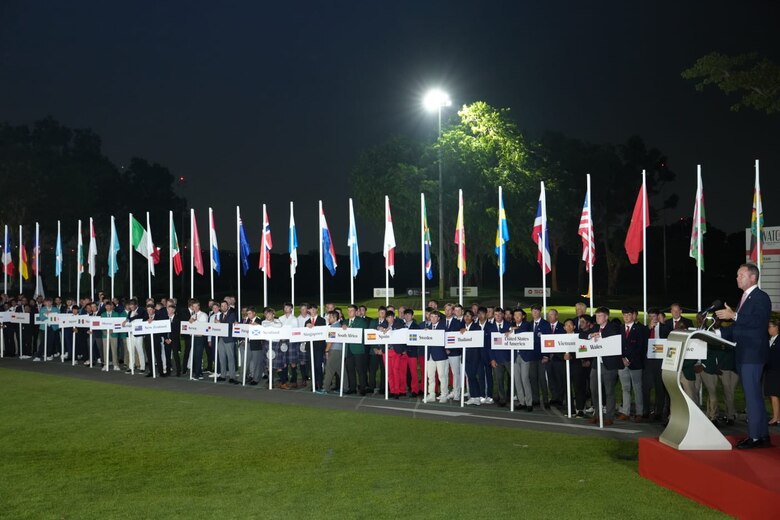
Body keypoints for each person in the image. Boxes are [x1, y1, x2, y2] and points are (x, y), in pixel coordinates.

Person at [715, 263, 772, 449]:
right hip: (744, 354)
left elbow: (757, 322)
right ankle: (762, 436)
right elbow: (739, 328)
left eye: (741, 275)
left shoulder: (761, 297)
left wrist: (734, 316)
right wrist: (715, 334)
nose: (737, 278)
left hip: (752, 354)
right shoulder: (745, 297)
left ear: (753, 278)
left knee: (752, 397)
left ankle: (755, 437)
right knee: (754, 396)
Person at [585, 307, 622, 426]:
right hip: (596, 364)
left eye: (600, 316)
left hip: (609, 364)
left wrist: (599, 335)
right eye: (596, 316)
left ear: (606, 317)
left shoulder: (614, 327)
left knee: (609, 391)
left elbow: (614, 339)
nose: (597, 318)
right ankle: (597, 414)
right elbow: (583, 335)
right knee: (594, 390)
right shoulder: (595, 327)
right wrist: (591, 335)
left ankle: (609, 416)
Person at [617, 306, 646, 421]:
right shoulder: (619, 328)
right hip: (622, 363)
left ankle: (639, 412)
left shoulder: (640, 329)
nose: (626, 317)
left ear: (633, 315)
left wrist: (629, 360)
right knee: (625, 388)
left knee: (637, 388)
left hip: (635, 363)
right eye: (624, 315)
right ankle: (626, 411)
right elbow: (616, 345)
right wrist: (622, 358)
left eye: (628, 315)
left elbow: (640, 347)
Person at [342, 304, 369, 395]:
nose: (349, 312)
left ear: (356, 312)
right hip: (348, 349)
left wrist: (350, 329)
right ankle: (352, 387)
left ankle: (362, 388)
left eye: (351, 311)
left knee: (360, 370)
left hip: (357, 349)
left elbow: (362, 333)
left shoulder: (361, 321)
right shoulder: (344, 322)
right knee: (350, 370)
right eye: (348, 311)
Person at [766, 319, 780, 426]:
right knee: (773, 395)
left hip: (776, 371)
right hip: (771, 371)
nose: (768, 328)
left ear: (776, 327)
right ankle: (777, 416)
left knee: (774, 395)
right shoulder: (770, 339)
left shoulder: (778, 340)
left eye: (770, 326)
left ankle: (775, 418)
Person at [163, 302, 182, 376]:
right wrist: (165, 338)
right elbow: (163, 329)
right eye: (168, 309)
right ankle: (168, 371)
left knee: (175, 355)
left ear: (173, 310)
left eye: (170, 309)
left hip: (174, 340)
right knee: (167, 356)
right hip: (166, 340)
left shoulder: (177, 319)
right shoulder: (165, 318)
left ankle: (178, 371)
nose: (169, 311)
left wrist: (170, 339)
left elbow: (177, 331)